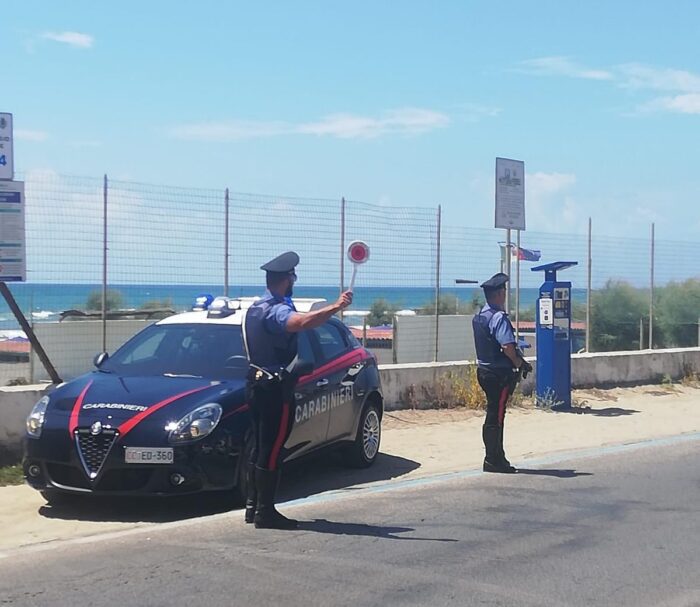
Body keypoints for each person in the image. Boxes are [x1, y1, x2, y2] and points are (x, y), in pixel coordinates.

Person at [243, 251, 353, 529]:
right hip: (274, 390)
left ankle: (253, 506)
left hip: (256, 383)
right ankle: (265, 513)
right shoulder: (277, 310)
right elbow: (300, 323)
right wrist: (335, 307)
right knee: (273, 448)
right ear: (286, 279)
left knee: (260, 446)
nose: (295, 280)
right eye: (293, 276)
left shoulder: (256, 307)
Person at [472, 273, 532, 473]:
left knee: (493, 414)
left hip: (484, 371)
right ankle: (493, 459)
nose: (505, 295)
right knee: (496, 416)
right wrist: (519, 362)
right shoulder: (498, 317)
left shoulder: (480, 316)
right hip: (498, 375)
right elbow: (507, 346)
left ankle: (497, 457)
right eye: (504, 291)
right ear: (499, 294)